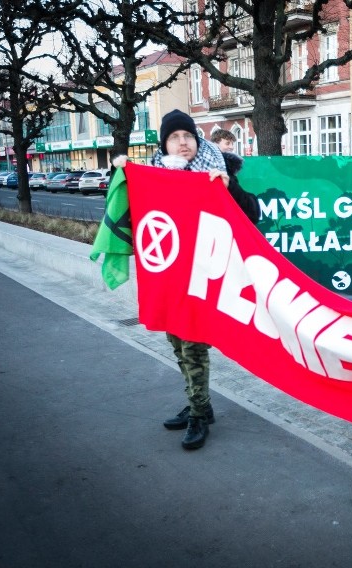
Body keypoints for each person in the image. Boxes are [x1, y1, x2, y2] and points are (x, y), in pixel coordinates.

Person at [138, 109, 229, 450]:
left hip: (202, 277)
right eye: (174, 138)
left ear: (197, 139)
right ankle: (198, 404)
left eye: (187, 136)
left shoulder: (219, 170)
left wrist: (227, 192)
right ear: (164, 144)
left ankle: (198, 413)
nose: (182, 143)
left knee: (193, 346)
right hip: (169, 278)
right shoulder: (153, 177)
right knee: (176, 344)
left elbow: (250, 214)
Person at [209, 128, 260, 224]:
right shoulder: (217, 166)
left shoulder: (229, 166)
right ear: (215, 144)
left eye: (232, 144)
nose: (231, 147)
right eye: (227, 143)